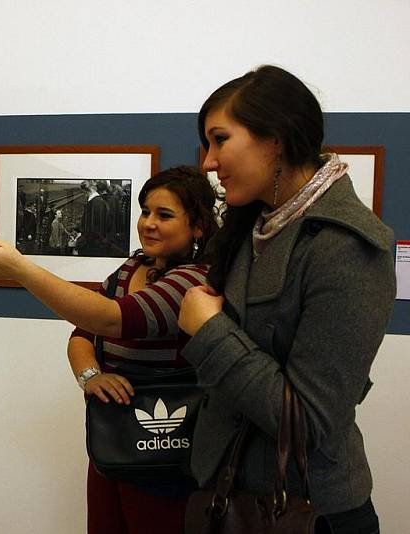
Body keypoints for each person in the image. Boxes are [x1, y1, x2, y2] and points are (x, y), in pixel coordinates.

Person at [177, 65, 395, 534]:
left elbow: (307, 421)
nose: (208, 162)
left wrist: (210, 331)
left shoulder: (346, 246)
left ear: (275, 138)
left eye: (219, 140)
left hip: (305, 512)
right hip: (229, 498)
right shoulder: (256, 227)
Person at [0, 166, 220, 534]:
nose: (148, 223)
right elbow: (84, 333)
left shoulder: (195, 279)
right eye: (146, 211)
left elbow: (112, 319)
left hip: (165, 451)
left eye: (164, 215)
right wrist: (91, 375)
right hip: (113, 442)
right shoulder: (132, 267)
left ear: (197, 226)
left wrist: (20, 269)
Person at [77, 180, 111, 256]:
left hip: (93, 246)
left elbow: (92, 229)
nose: (84, 195)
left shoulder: (93, 203)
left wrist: (80, 239)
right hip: (99, 243)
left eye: (83, 193)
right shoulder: (100, 201)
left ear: (86, 191)